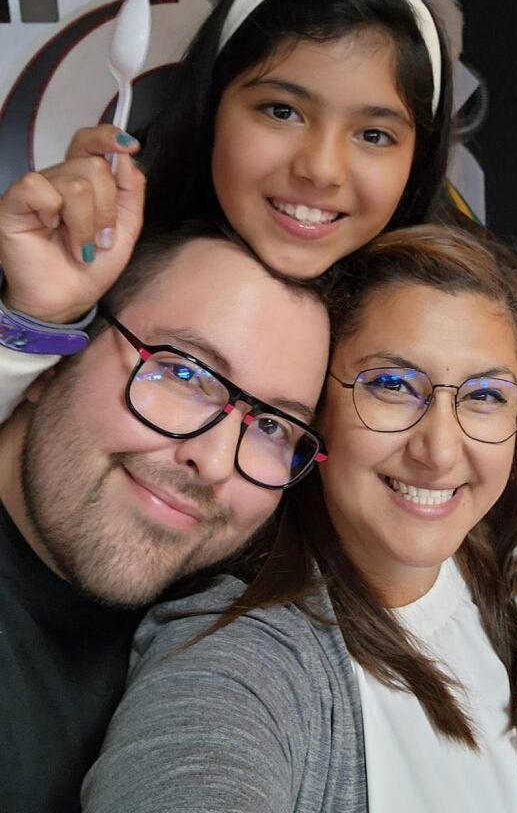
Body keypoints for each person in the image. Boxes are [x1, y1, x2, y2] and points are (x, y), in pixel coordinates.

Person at [0, 0, 517, 778]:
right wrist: (35, 315)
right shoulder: (118, 245)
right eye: (281, 110)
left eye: (375, 134)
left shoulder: (431, 288)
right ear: (215, 107)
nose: (320, 169)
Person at [82, 225, 517, 813]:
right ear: (315, 410)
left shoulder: (492, 568)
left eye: (485, 396)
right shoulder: (242, 661)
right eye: (393, 385)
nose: (439, 450)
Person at [0, 217, 331, 813]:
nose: (213, 460)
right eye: (183, 373)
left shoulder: (238, 646)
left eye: (272, 426)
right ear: (53, 356)